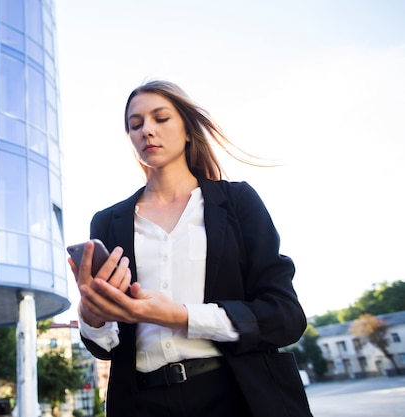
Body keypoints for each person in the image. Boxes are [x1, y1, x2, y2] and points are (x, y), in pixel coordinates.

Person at [68, 80, 312, 417]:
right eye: (135, 125)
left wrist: (178, 316)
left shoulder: (237, 202)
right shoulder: (108, 222)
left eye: (161, 118)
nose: (146, 131)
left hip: (236, 397)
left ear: (186, 130)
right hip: (141, 403)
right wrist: (92, 318)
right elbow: (107, 347)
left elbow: (284, 316)